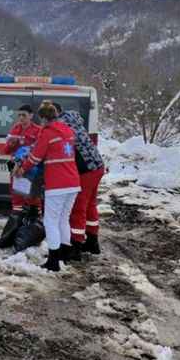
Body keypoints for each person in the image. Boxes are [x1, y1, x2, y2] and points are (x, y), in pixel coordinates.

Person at [14, 100, 81, 271]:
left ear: (43, 119)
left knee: (50, 221)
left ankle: (53, 261)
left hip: (57, 183)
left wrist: (22, 169)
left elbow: (36, 156)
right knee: (63, 218)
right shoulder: (67, 130)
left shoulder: (48, 132)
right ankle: (63, 255)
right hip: (73, 182)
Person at [54, 104, 105, 260]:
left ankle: (75, 247)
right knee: (90, 205)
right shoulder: (74, 121)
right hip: (97, 166)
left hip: (85, 170)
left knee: (77, 207)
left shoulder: (61, 128)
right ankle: (92, 241)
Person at [2, 104, 42, 213]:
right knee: (17, 197)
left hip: (30, 168)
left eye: (24, 115)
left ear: (31, 115)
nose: (21, 118)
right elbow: (5, 150)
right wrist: (11, 144)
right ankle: (17, 220)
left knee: (33, 197)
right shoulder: (15, 128)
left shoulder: (38, 130)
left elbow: (40, 150)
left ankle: (34, 223)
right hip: (15, 168)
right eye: (19, 115)